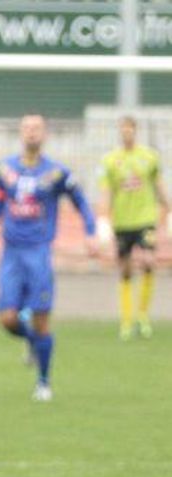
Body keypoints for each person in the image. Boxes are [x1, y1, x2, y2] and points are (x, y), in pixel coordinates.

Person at [0, 114, 97, 402]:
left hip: (39, 253)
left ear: (45, 135)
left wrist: (91, 231)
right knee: (7, 318)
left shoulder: (57, 173)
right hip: (11, 253)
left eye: (37, 128)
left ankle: (43, 383)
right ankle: (32, 342)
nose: (32, 132)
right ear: (21, 133)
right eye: (27, 128)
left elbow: (80, 200)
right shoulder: (5, 168)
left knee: (42, 319)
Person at [97, 115, 169, 341]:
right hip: (122, 221)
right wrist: (103, 218)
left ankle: (143, 316)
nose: (126, 133)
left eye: (130, 129)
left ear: (135, 131)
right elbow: (106, 191)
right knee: (126, 270)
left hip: (145, 218)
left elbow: (159, 186)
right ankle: (126, 321)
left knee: (148, 262)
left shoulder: (149, 157)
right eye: (123, 129)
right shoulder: (111, 160)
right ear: (119, 132)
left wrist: (168, 207)